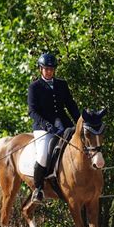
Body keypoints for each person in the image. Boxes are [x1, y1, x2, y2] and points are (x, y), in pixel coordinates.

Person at [27, 52, 80, 202]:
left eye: (51, 69)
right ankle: (38, 188)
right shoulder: (34, 87)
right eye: (46, 69)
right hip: (43, 127)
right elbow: (32, 111)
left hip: (64, 124)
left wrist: (79, 122)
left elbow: (70, 105)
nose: (49, 71)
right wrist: (46, 124)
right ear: (40, 69)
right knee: (43, 155)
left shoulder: (62, 84)